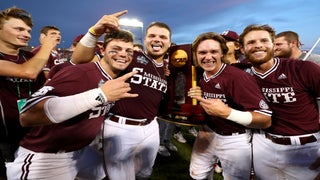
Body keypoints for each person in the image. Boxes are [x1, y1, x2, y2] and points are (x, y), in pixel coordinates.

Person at [6, 11, 137, 180]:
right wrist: (100, 95)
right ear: (102, 50)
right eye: (116, 49)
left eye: (129, 51)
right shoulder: (80, 73)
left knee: (107, 173)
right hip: (47, 155)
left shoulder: (116, 77)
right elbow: (27, 115)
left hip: (82, 151)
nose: (123, 54)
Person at [72, 20, 171, 179]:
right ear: (145, 40)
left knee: (145, 173)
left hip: (151, 126)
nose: (157, 39)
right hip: (120, 126)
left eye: (163, 37)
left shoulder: (168, 68)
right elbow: (79, 60)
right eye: (152, 35)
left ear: (169, 43)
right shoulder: (131, 56)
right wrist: (93, 32)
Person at [239, 24, 320, 180]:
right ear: (242, 49)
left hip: (306, 148)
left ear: (272, 45)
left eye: (264, 40)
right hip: (263, 145)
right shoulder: (241, 74)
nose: (258, 45)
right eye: (250, 42)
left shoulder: (304, 68)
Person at [187, 32, 272, 180]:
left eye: (214, 52)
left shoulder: (238, 77)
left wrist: (227, 113)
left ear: (222, 53)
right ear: (195, 54)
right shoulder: (200, 76)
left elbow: (265, 119)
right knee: (197, 175)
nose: (207, 57)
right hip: (207, 132)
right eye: (202, 52)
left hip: (235, 139)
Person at [0, 6, 59, 179]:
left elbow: (41, 90)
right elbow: (27, 72)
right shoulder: (32, 62)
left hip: (29, 133)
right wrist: (47, 46)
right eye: (19, 29)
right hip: (3, 137)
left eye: (28, 30)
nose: (26, 34)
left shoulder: (28, 58)